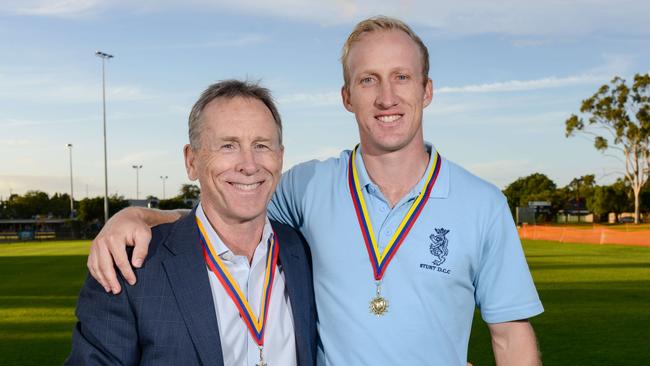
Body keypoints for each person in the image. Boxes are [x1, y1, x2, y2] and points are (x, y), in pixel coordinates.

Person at [87, 16, 544, 365]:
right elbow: (232, 208)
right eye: (368, 79)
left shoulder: (483, 204)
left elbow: (510, 336)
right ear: (347, 96)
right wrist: (136, 217)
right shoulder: (308, 186)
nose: (386, 96)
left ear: (427, 90)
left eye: (402, 77)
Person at [66, 80, 317, 365]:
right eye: (228, 146)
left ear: (280, 157)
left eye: (261, 145)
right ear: (191, 161)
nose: (249, 164)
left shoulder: (304, 253)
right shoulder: (131, 267)